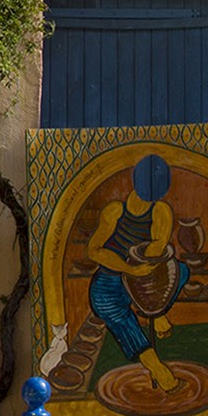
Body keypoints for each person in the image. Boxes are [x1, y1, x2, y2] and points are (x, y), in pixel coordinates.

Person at [85, 154, 189, 391]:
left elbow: (157, 250)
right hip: (111, 280)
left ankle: (153, 310)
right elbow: (94, 250)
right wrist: (129, 268)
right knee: (109, 308)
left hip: (144, 278)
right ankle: (159, 371)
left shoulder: (160, 211)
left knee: (181, 271)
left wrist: (144, 279)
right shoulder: (115, 212)